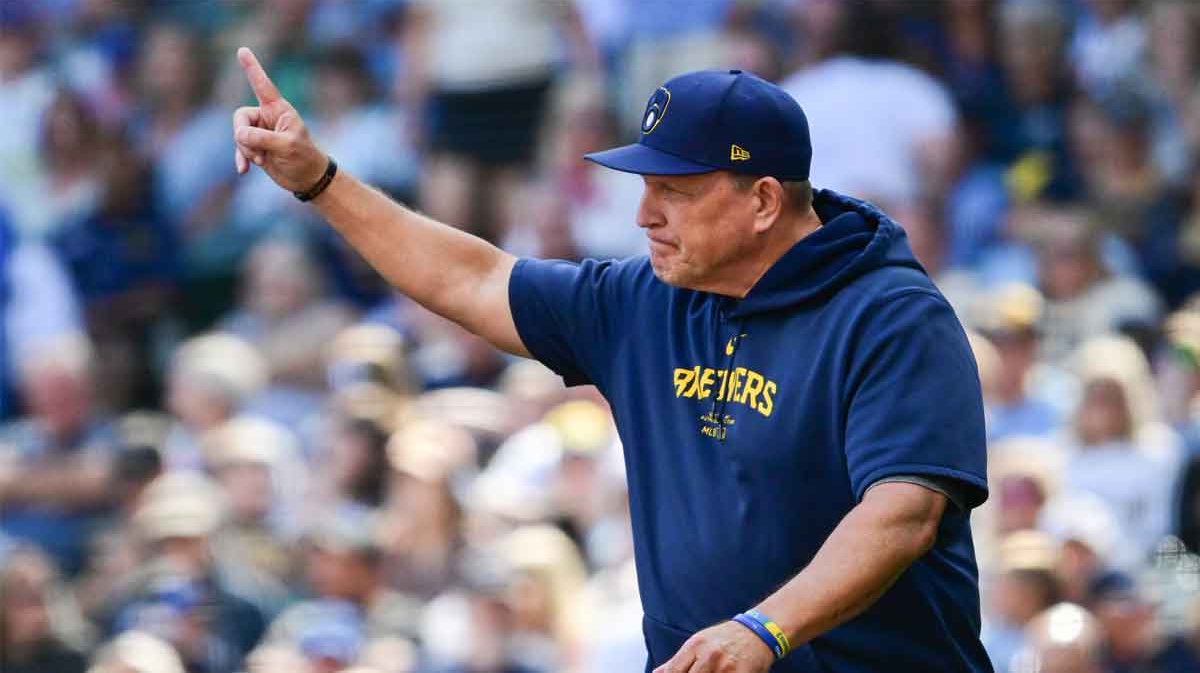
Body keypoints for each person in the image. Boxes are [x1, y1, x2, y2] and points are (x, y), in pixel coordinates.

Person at [231, 49, 991, 671]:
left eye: (673, 190)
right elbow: (472, 277)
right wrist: (319, 182)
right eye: (643, 186)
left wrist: (765, 628)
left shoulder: (891, 316)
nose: (642, 214)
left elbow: (903, 513)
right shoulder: (647, 299)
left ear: (763, 201)